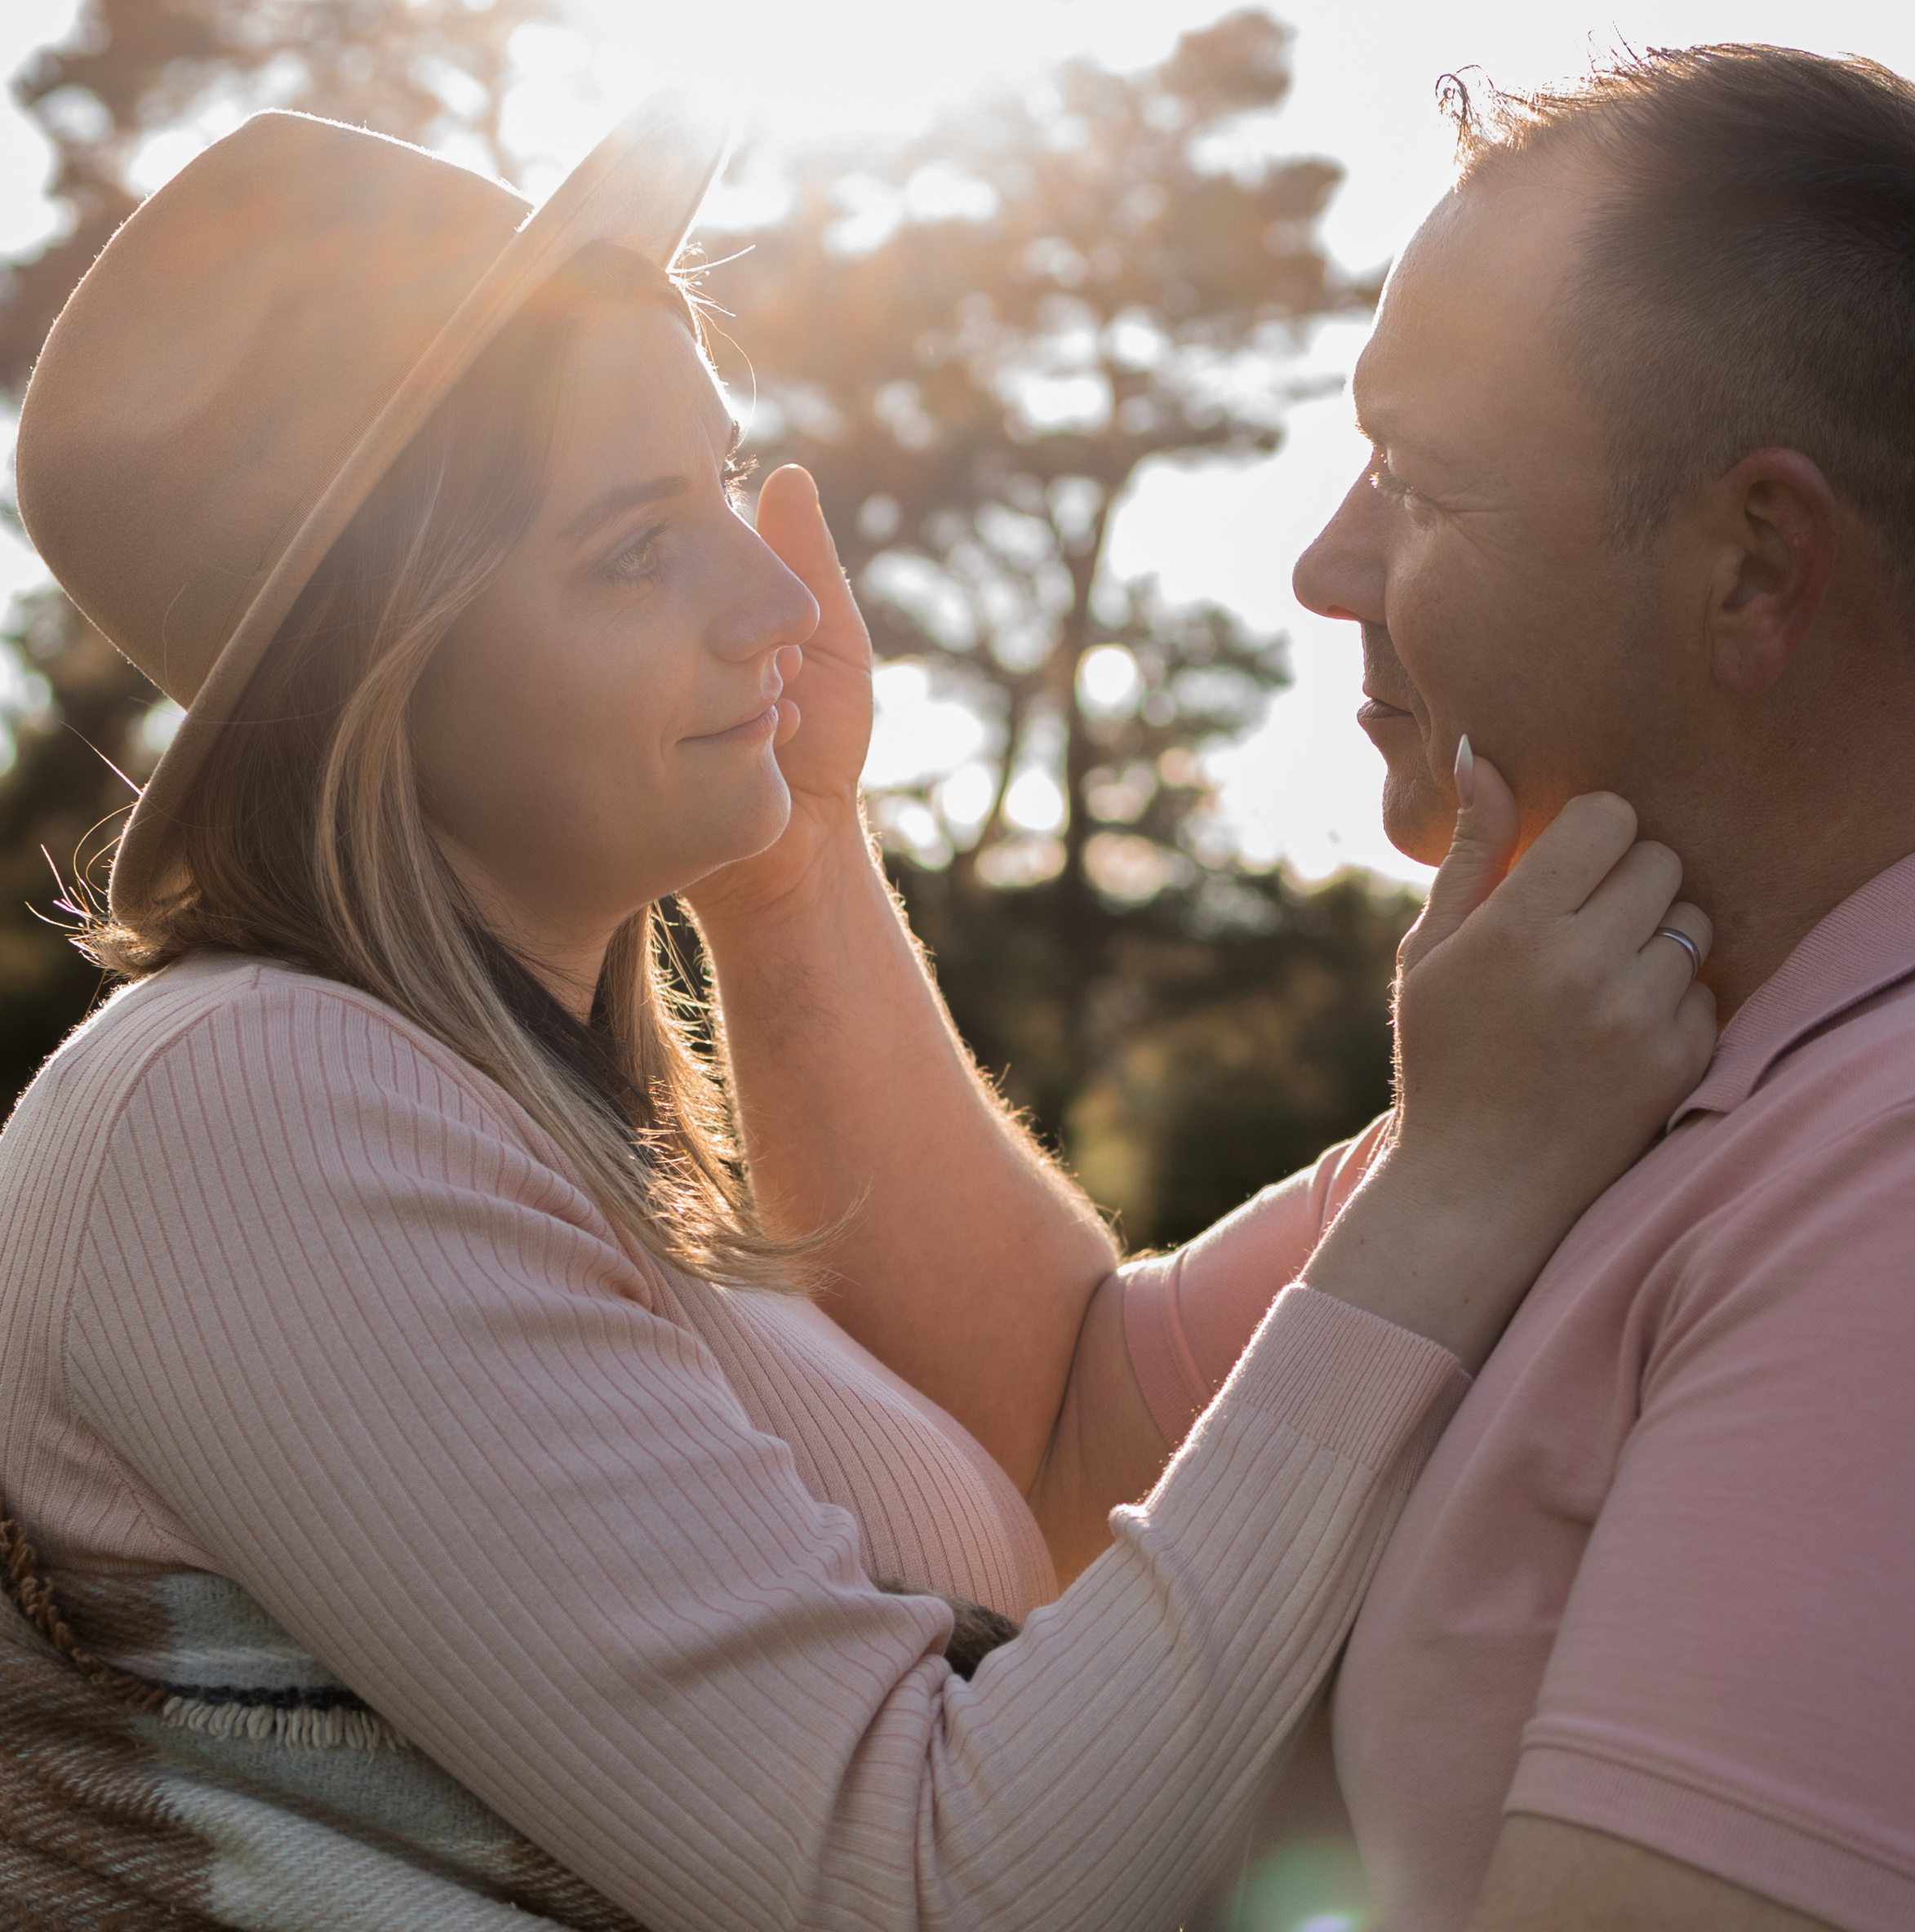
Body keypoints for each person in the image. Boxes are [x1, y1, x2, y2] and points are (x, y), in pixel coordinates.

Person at [0, 96, 1716, 1930]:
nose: (777, 599)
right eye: (633, 549)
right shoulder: (251, 1101)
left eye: (728, 484)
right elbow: (923, 1881)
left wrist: (792, 845)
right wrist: (1455, 1187)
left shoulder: (558, 1154)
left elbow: (1053, 1461)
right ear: (378, 679)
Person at [722, 46, 1915, 1932]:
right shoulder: (1598, 1068)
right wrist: (785, 855)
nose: (1321, 563)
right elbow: (1054, 1430)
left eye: (1424, 486)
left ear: (1752, 565)